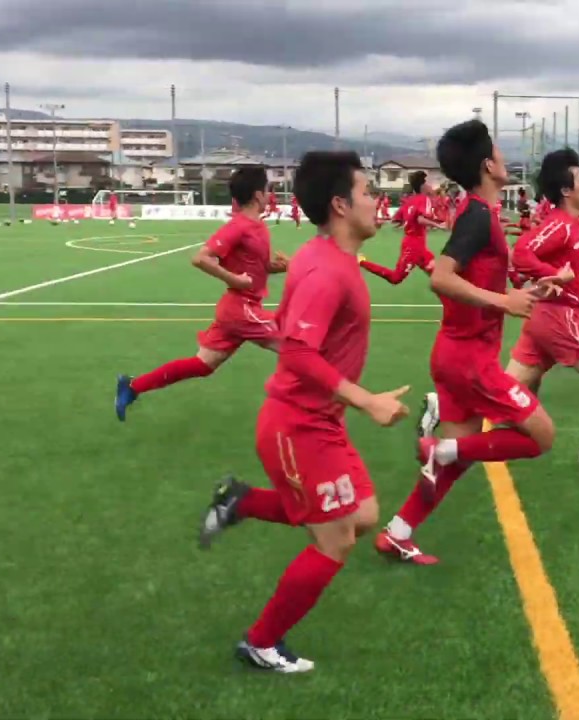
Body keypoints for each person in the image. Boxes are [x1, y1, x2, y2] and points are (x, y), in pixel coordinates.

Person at [197, 150, 411, 673]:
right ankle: (261, 641)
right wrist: (367, 401)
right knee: (334, 537)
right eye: (367, 193)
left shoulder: (327, 259)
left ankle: (241, 502)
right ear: (340, 204)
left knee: (361, 514)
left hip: (318, 420)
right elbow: (295, 350)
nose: (377, 202)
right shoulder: (324, 270)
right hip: (297, 423)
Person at [374, 120, 553, 565]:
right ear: (488, 165)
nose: (506, 160)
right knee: (541, 437)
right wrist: (503, 301)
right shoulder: (476, 214)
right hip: (470, 359)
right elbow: (441, 277)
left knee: (455, 461)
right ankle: (440, 447)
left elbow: (479, 274)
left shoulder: (482, 213)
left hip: (455, 355)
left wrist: (527, 290)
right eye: (500, 152)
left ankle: (398, 532)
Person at [116, 167, 288, 421]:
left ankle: (133, 387)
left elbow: (253, 268)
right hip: (242, 309)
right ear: (258, 195)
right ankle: (311, 414)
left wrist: (277, 267)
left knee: (203, 365)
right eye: (269, 189)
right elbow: (201, 258)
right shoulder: (239, 226)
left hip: (236, 309)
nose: (271, 195)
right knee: (297, 346)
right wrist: (235, 281)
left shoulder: (258, 227)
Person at [506, 148, 579, 477]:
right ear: (565, 190)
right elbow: (522, 252)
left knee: (508, 390)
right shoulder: (560, 223)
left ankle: (443, 414)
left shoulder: (572, 225)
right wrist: (554, 276)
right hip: (558, 316)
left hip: (545, 318)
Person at [359, 172, 443, 284]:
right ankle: (362, 262)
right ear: (423, 185)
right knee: (395, 278)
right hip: (414, 247)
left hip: (416, 245)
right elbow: (420, 219)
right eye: (429, 182)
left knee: (439, 278)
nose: (432, 185)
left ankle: (455, 299)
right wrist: (439, 225)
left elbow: (395, 220)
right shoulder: (424, 199)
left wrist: (380, 221)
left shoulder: (410, 201)